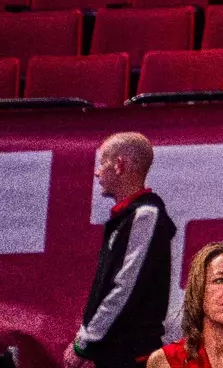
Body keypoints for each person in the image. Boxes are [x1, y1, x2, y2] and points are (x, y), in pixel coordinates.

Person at [66, 133, 176, 368]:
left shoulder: (145, 215)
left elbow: (124, 287)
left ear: (119, 165)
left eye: (102, 162)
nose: (97, 172)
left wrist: (85, 343)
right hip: (115, 352)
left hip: (130, 354)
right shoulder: (128, 217)